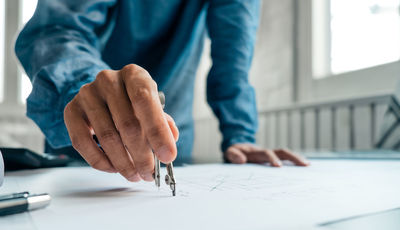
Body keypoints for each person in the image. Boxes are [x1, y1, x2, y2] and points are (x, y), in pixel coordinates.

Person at [15, 0, 308, 182]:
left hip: (173, 137)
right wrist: (86, 86)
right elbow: (56, 29)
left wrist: (240, 136)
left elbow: (234, 53)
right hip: (85, 129)